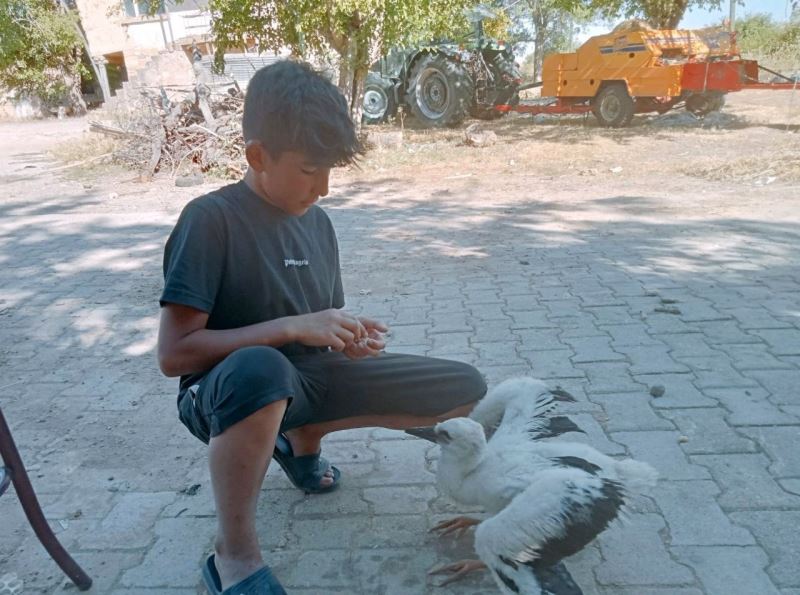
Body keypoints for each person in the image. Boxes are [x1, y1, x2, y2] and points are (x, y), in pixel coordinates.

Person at [157, 60, 486, 595]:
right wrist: (290, 327)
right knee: (264, 370)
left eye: (331, 171)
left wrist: (348, 338)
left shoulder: (319, 223)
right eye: (311, 171)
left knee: (463, 385)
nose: (326, 188)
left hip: (303, 384)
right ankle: (233, 556)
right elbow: (174, 356)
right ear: (258, 156)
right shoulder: (210, 220)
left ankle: (300, 440)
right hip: (224, 393)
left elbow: (318, 325)